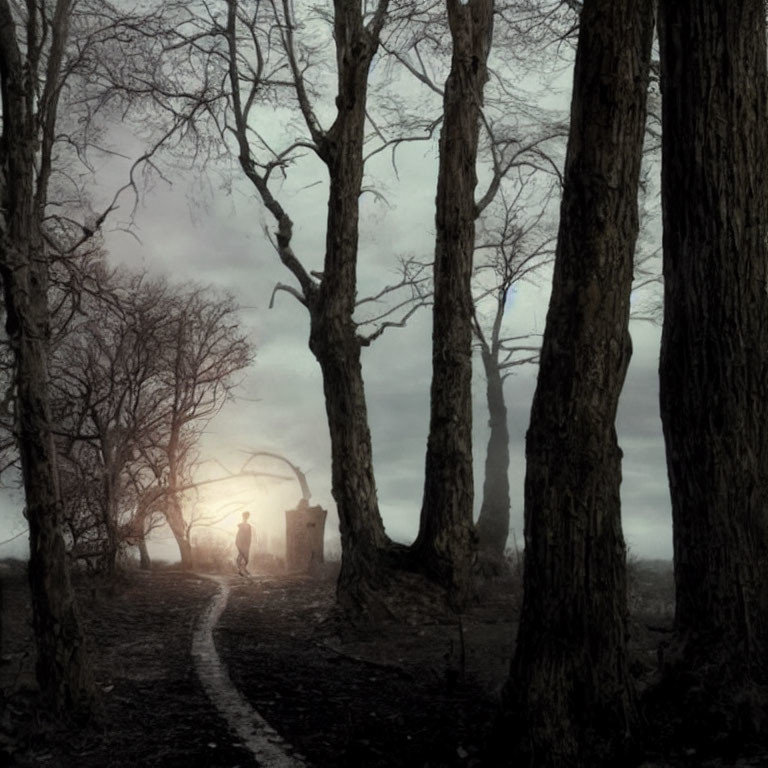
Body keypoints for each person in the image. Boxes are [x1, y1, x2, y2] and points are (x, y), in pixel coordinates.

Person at [235, 511, 252, 576]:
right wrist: (240, 543)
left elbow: (249, 536)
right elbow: (239, 536)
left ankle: (243, 569)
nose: (247, 517)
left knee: (245, 557)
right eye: (246, 516)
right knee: (242, 555)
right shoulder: (243, 525)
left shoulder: (248, 525)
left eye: (248, 516)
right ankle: (240, 570)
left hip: (245, 543)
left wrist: (248, 543)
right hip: (241, 543)